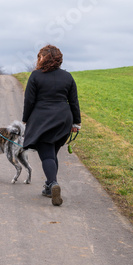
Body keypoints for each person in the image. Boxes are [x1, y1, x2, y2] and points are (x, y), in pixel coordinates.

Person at [22, 45, 81, 206]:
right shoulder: (67, 77)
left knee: (47, 155)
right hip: (63, 119)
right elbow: (73, 101)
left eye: (40, 56)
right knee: (52, 153)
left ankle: (53, 183)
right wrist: (77, 122)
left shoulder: (35, 76)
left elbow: (29, 101)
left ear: (44, 58)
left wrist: (26, 118)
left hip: (42, 120)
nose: (38, 59)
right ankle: (49, 186)